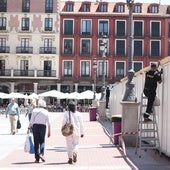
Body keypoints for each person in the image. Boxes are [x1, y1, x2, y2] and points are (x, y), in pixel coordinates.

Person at [27, 99, 51, 163]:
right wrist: (49, 131)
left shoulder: (34, 110)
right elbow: (49, 123)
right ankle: (42, 154)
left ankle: (37, 158)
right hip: (43, 127)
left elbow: (31, 121)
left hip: (35, 127)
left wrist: (28, 128)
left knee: (36, 142)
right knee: (42, 141)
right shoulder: (46, 112)